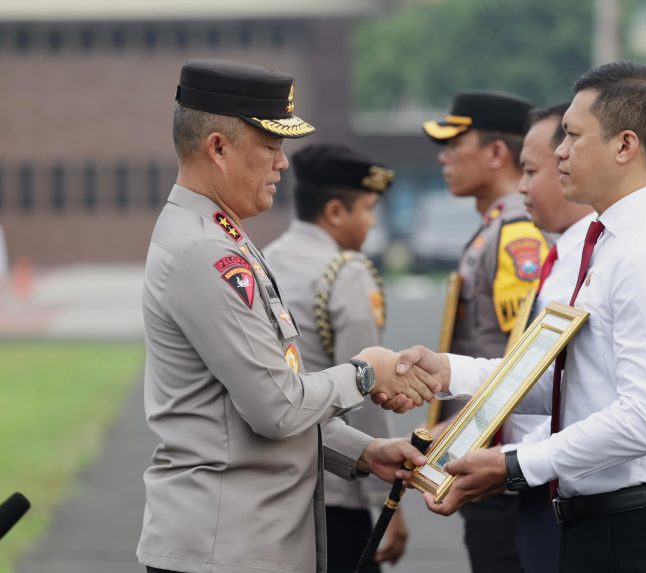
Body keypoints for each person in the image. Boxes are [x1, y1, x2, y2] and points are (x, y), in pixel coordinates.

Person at [397, 61, 646, 572]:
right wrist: (450, 372)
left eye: (571, 136)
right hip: (604, 526)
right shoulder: (613, 245)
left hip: (641, 532)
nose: (561, 153)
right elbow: (575, 381)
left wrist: (515, 464)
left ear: (625, 145)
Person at [137, 59, 438, 573]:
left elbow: (255, 403)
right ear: (218, 148)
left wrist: (365, 453)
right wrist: (366, 373)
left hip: (238, 543)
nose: (282, 165)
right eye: (272, 148)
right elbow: (276, 408)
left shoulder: (218, 235)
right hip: (224, 550)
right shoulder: (205, 251)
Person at [262, 143, 407, 573]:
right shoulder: (347, 272)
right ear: (335, 212)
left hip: (279, 484)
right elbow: (367, 394)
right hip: (341, 489)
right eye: (367, 208)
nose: (372, 220)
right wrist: (387, 503)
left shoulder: (263, 261)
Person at [422, 90, 549, 573]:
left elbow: (519, 355)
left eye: (456, 142)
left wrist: (469, 430)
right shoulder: (496, 226)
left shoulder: (516, 231)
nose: (444, 155)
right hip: (489, 456)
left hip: (502, 461)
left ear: (497, 153)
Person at [510, 102, 596, 572]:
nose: (520, 187)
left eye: (529, 171)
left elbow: (575, 393)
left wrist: (505, 461)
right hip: (535, 478)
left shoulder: (593, 260)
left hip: (556, 482)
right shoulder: (562, 257)